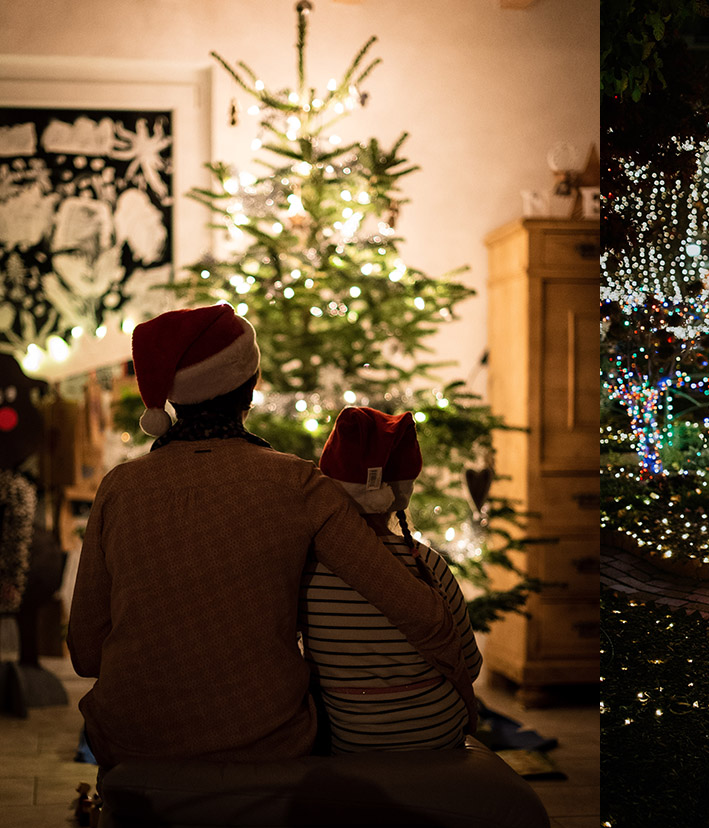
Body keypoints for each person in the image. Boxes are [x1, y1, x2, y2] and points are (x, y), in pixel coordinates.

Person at [67, 304, 475, 771]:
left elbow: (85, 650)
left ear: (173, 399)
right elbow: (412, 605)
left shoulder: (119, 487)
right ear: (252, 382)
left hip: (132, 746)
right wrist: (464, 694)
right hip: (267, 745)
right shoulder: (296, 483)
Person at [301, 406, 482, 752]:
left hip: (352, 739)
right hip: (439, 733)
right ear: (399, 493)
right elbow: (470, 665)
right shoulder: (428, 564)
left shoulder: (308, 571)